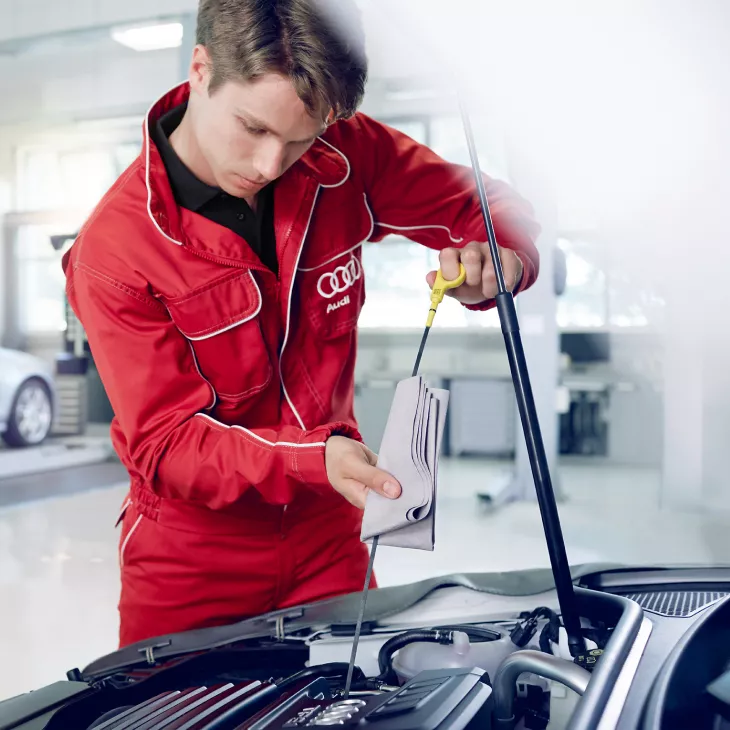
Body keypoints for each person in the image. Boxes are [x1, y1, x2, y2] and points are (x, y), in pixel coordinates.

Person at [63, 0, 541, 648]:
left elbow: (489, 206)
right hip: (194, 560)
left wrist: (501, 259)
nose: (270, 164)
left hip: (329, 535)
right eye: (253, 128)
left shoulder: (347, 153)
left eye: (300, 138)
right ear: (201, 70)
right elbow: (166, 445)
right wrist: (313, 458)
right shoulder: (116, 251)